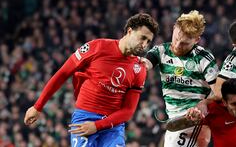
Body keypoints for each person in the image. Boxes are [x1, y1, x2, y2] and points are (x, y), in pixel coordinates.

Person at [24, 13, 159, 147]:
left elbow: (128, 111)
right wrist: (38, 106)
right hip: (84, 119)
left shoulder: (139, 69)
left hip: (112, 127)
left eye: (148, 41)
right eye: (142, 38)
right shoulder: (97, 47)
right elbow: (63, 73)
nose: (144, 45)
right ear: (130, 31)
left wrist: (97, 126)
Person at [143, 10, 219, 147]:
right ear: (174, 29)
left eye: (184, 43)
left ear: (196, 39)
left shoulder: (203, 58)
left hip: (195, 121)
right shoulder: (160, 51)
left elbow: (219, 93)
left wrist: (204, 103)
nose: (177, 45)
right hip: (175, 122)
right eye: (176, 38)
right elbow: (145, 64)